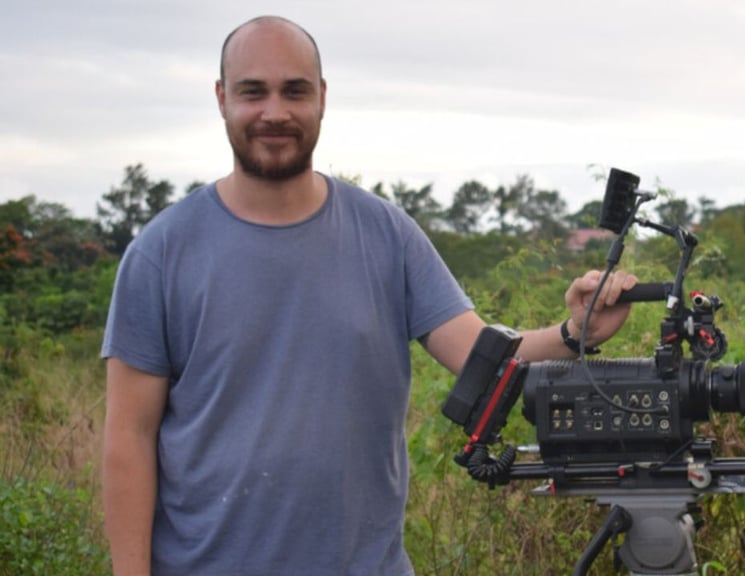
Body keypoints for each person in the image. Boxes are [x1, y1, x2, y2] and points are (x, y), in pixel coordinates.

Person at [101, 15, 637, 576]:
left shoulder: (385, 233)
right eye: (253, 92)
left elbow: (480, 355)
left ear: (322, 98)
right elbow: (129, 439)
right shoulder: (163, 251)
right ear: (221, 98)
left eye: (294, 91)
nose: (275, 112)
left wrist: (575, 332)